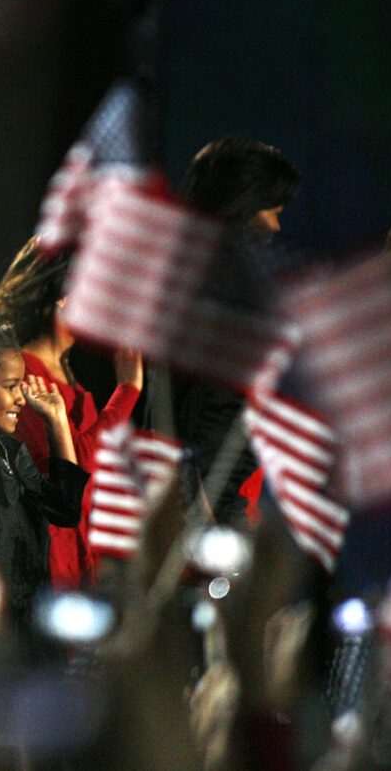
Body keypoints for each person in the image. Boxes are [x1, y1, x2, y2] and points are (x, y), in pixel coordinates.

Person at [146, 135, 301, 527]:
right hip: (203, 508)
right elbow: (213, 413)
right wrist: (222, 521)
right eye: (273, 210)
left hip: (183, 496)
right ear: (243, 204)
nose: (277, 226)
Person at [0, 237, 142, 588]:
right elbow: (69, 469)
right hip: (54, 555)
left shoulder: (68, 374)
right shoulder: (25, 373)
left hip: (86, 553)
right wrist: (127, 392)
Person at [0, 320, 87, 625]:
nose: (21, 398)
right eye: (10, 386)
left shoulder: (12, 450)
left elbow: (66, 510)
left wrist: (57, 422)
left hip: (30, 613)